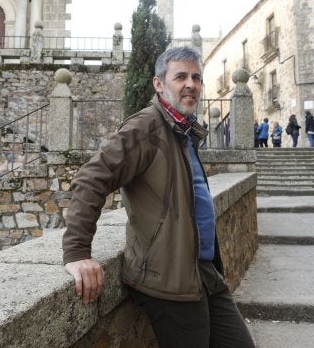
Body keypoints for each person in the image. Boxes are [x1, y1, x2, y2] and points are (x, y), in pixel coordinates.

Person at [62, 46, 255, 348]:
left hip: (203, 272)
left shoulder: (182, 130)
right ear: (159, 84)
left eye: (196, 77)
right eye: (180, 76)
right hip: (169, 280)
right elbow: (91, 178)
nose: (191, 84)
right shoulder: (146, 126)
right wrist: (77, 252)